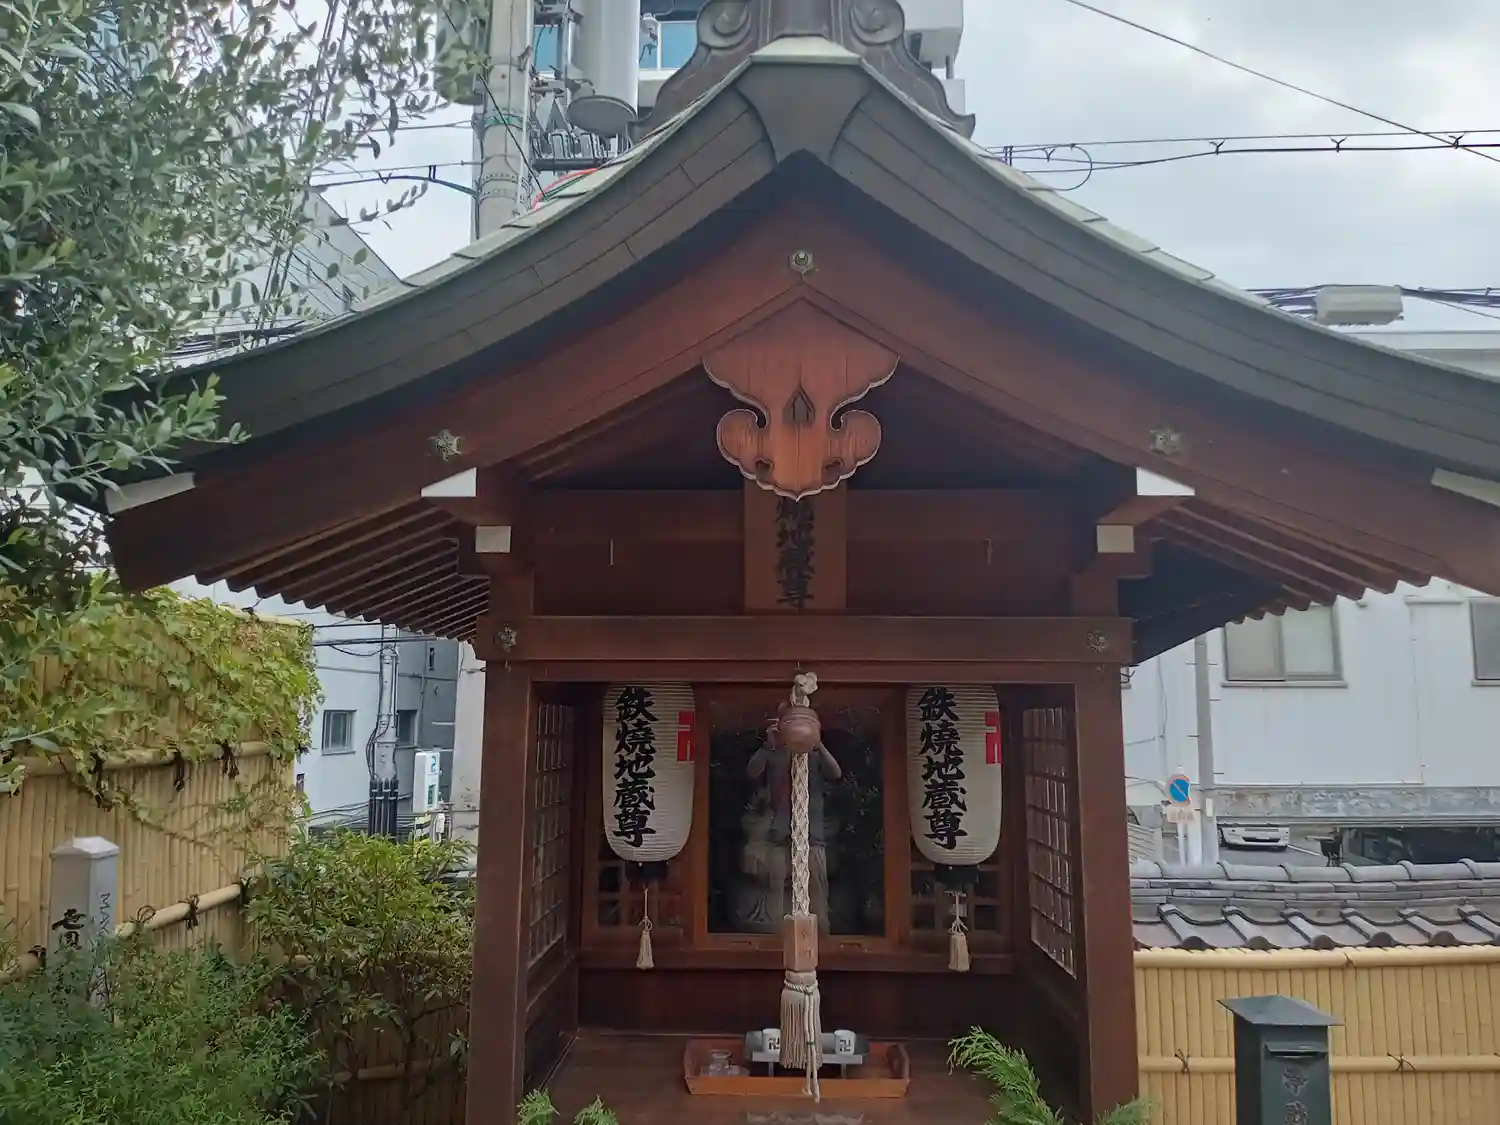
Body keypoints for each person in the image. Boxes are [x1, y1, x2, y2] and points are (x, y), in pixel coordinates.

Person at [747, 720, 841, 933]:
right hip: (779, 834)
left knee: (817, 889)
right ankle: (776, 935)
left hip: (812, 834)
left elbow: (835, 773)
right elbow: (752, 772)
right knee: (776, 889)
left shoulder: (813, 755)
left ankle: (821, 937)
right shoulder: (773, 754)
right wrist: (768, 745)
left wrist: (818, 743)